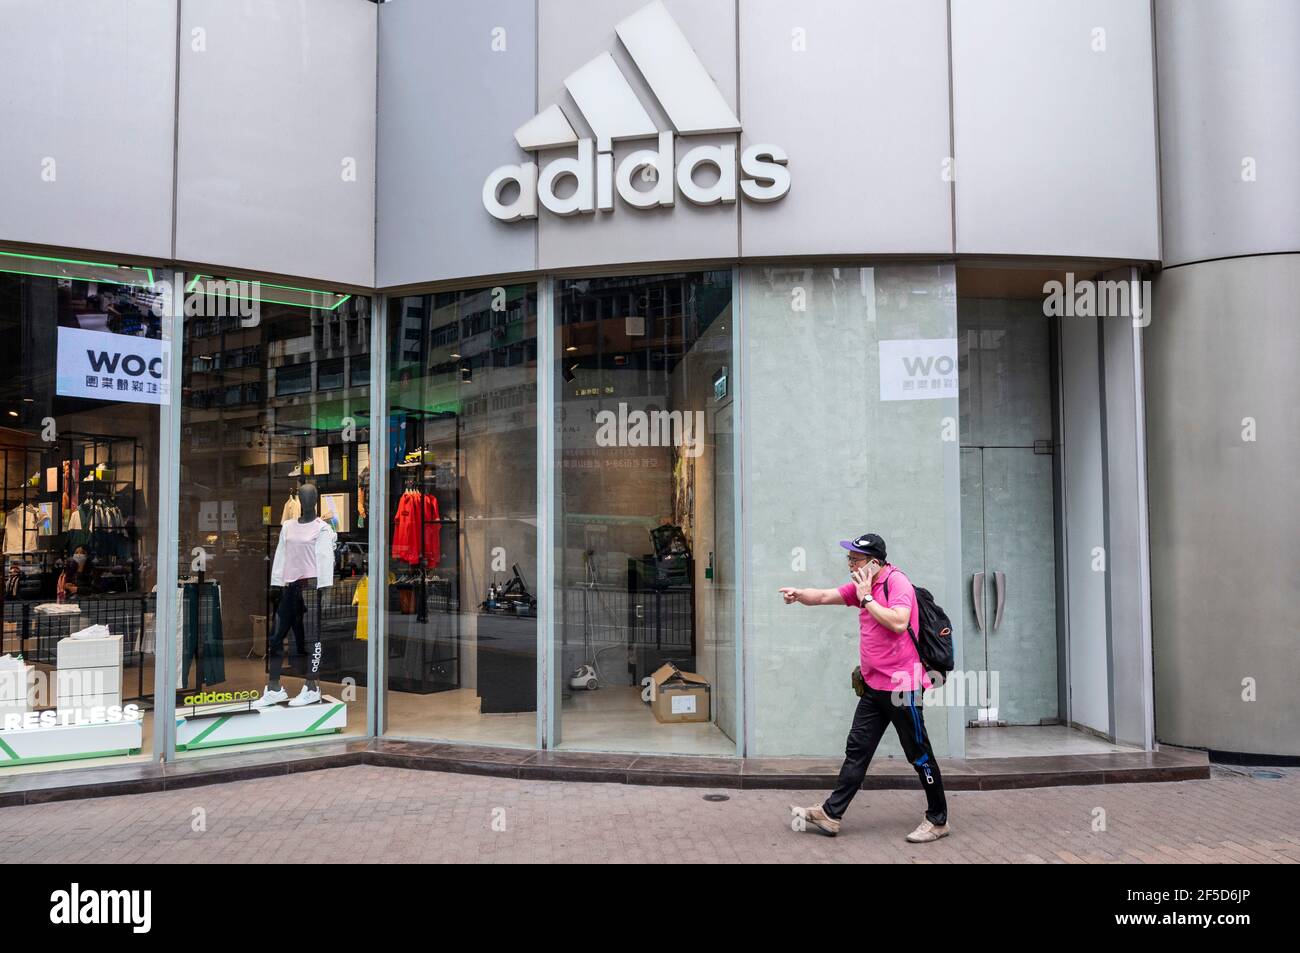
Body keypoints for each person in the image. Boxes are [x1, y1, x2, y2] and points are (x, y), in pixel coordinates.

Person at [778, 532, 949, 843]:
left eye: (855, 560)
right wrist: (798, 593)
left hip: (902, 689)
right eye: (849, 559)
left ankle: (938, 820)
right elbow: (824, 596)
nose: (850, 565)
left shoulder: (897, 584)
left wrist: (867, 597)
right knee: (857, 750)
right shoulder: (861, 586)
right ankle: (832, 814)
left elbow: (898, 621)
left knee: (919, 754)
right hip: (874, 686)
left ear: (873, 563)